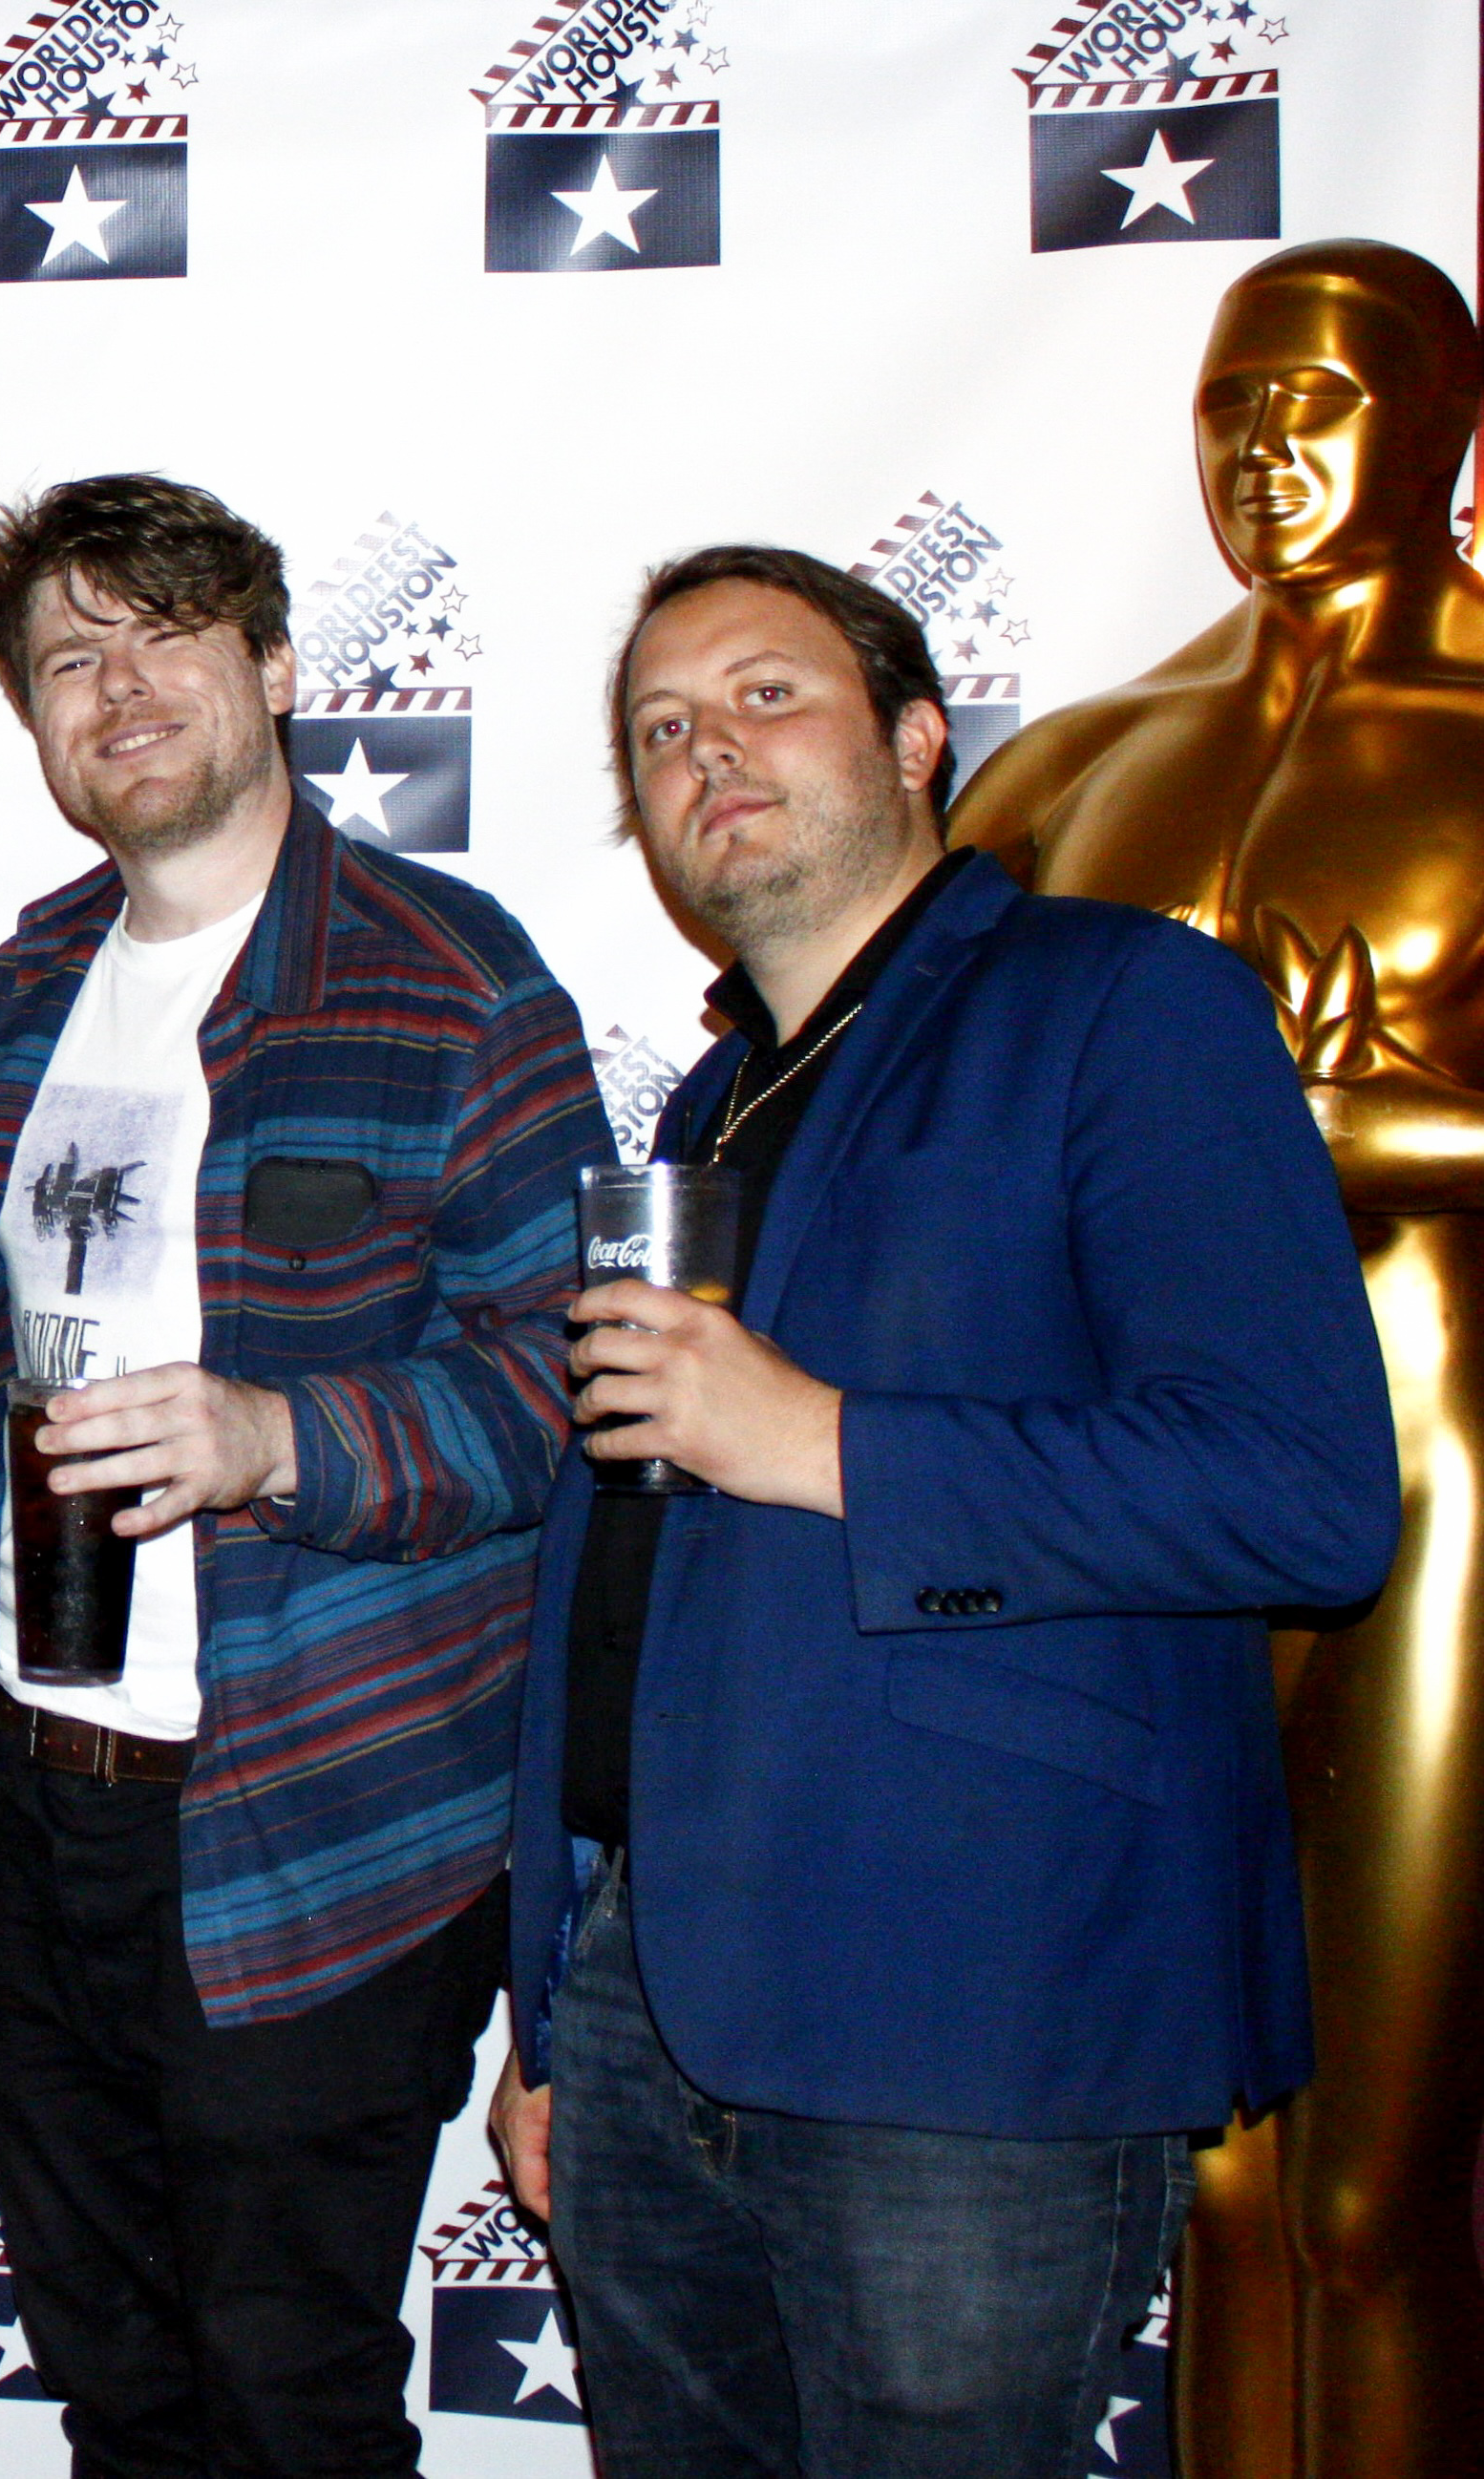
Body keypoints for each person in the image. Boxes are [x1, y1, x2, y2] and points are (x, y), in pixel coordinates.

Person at [490, 545, 1399, 2474]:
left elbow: (1303, 1496)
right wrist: (560, 2004)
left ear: (918, 738)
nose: (704, 749)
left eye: (763, 694)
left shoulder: (1125, 1004)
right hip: (657, 2000)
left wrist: (828, 1438)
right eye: (659, 729)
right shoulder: (713, 1107)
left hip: (973, 2001)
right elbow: (637, 1592)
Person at [0, 473, 607, 2473]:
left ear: (277, 668)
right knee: (118, 2385)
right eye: (68, 657)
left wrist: (276, 1436)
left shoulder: (450, 976)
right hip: (43, 1806)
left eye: (159, 635)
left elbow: (563, 1383)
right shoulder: (22, 983)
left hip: (319, 1819)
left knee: (286, 2393)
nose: (114, 687)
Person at [950, 240, 1484, 2477]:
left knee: (1382, 2179)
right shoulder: (1085, 764)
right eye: (1230, 405)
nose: (1267, 452)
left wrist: (1347, 1119)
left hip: (1436, 1453)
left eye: (1324, 400)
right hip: (1139, 1494)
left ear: (1441, 428)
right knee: (1223, 2162)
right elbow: (906, 1104)